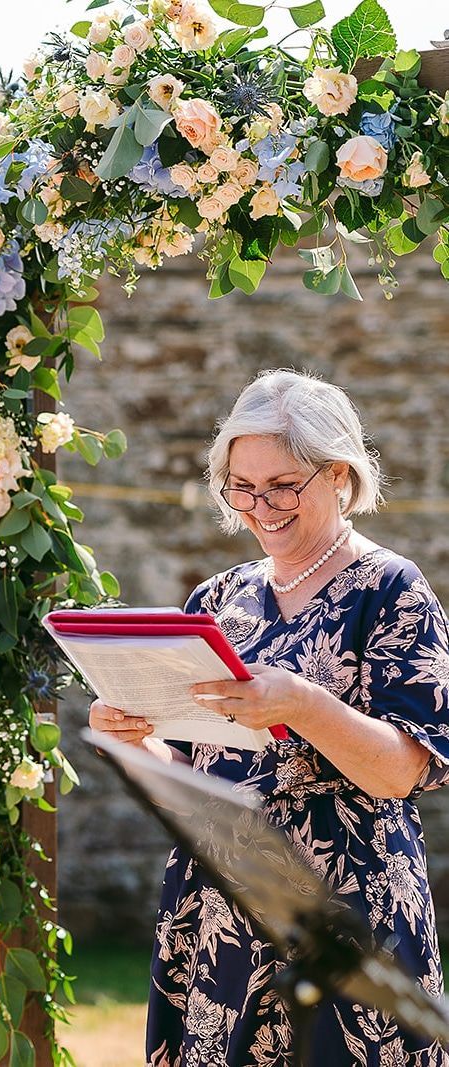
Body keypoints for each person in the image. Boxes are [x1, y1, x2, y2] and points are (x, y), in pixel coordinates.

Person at [90, 369, 449, 1066]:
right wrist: (130, 745)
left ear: (338, 473)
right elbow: (196, 773)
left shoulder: (391, 588)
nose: (260, 506)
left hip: (347, 907)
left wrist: (304, 704)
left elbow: (405, 770)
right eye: (242, 486)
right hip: (222, 910)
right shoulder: (216, 597)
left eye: (282, 484)